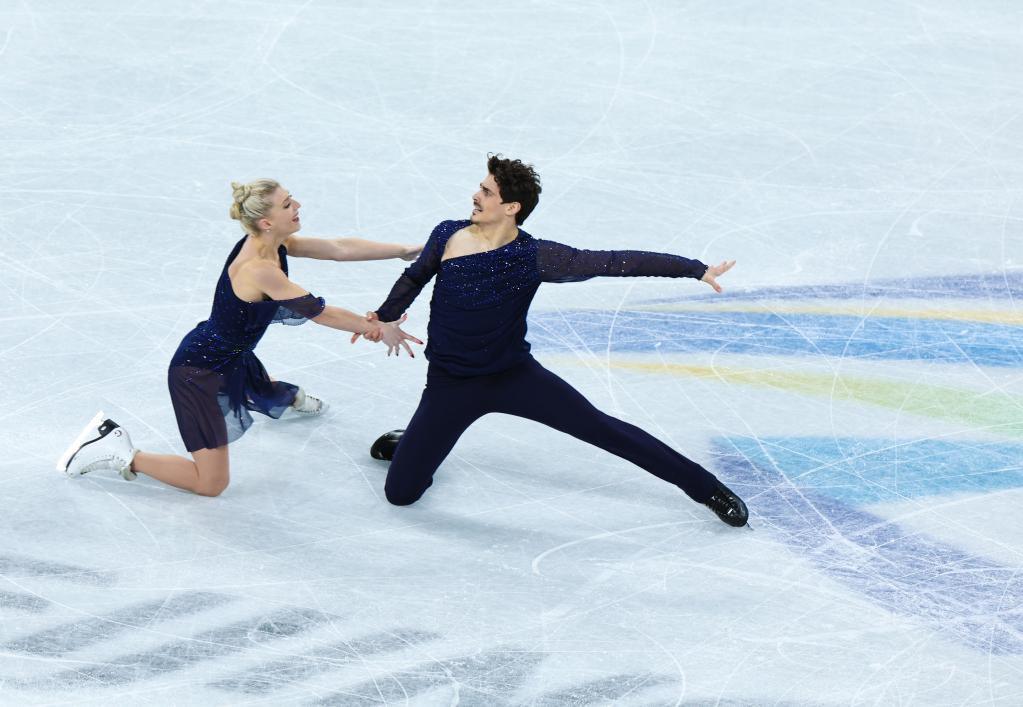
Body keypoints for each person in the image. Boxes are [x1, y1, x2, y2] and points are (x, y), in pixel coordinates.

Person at [364, 155, 748, 527]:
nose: (475, 196)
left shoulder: (534, 256)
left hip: (514, 377)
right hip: (450, 384)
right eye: (480, 188)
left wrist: (694, 270)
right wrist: (383, 316)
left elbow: (615, 261)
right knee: (400, 494)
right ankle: (418, 443)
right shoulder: (448, 233)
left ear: (511, 207)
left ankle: (706, 488)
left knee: (604, 429)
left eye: (486, 192)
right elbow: (415, 277)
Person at [56, 179, 422, 496]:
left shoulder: (271, 243)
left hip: (230, 355)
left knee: (250, 379)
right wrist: (375, 327)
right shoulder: (259, 269)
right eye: (287, 204)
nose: (297, 205)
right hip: (199, 373)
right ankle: (117, 450)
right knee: (210, 484)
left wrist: (402, 251)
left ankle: (287, 396)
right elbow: (319, 312)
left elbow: (338, 248)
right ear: (266, 221)